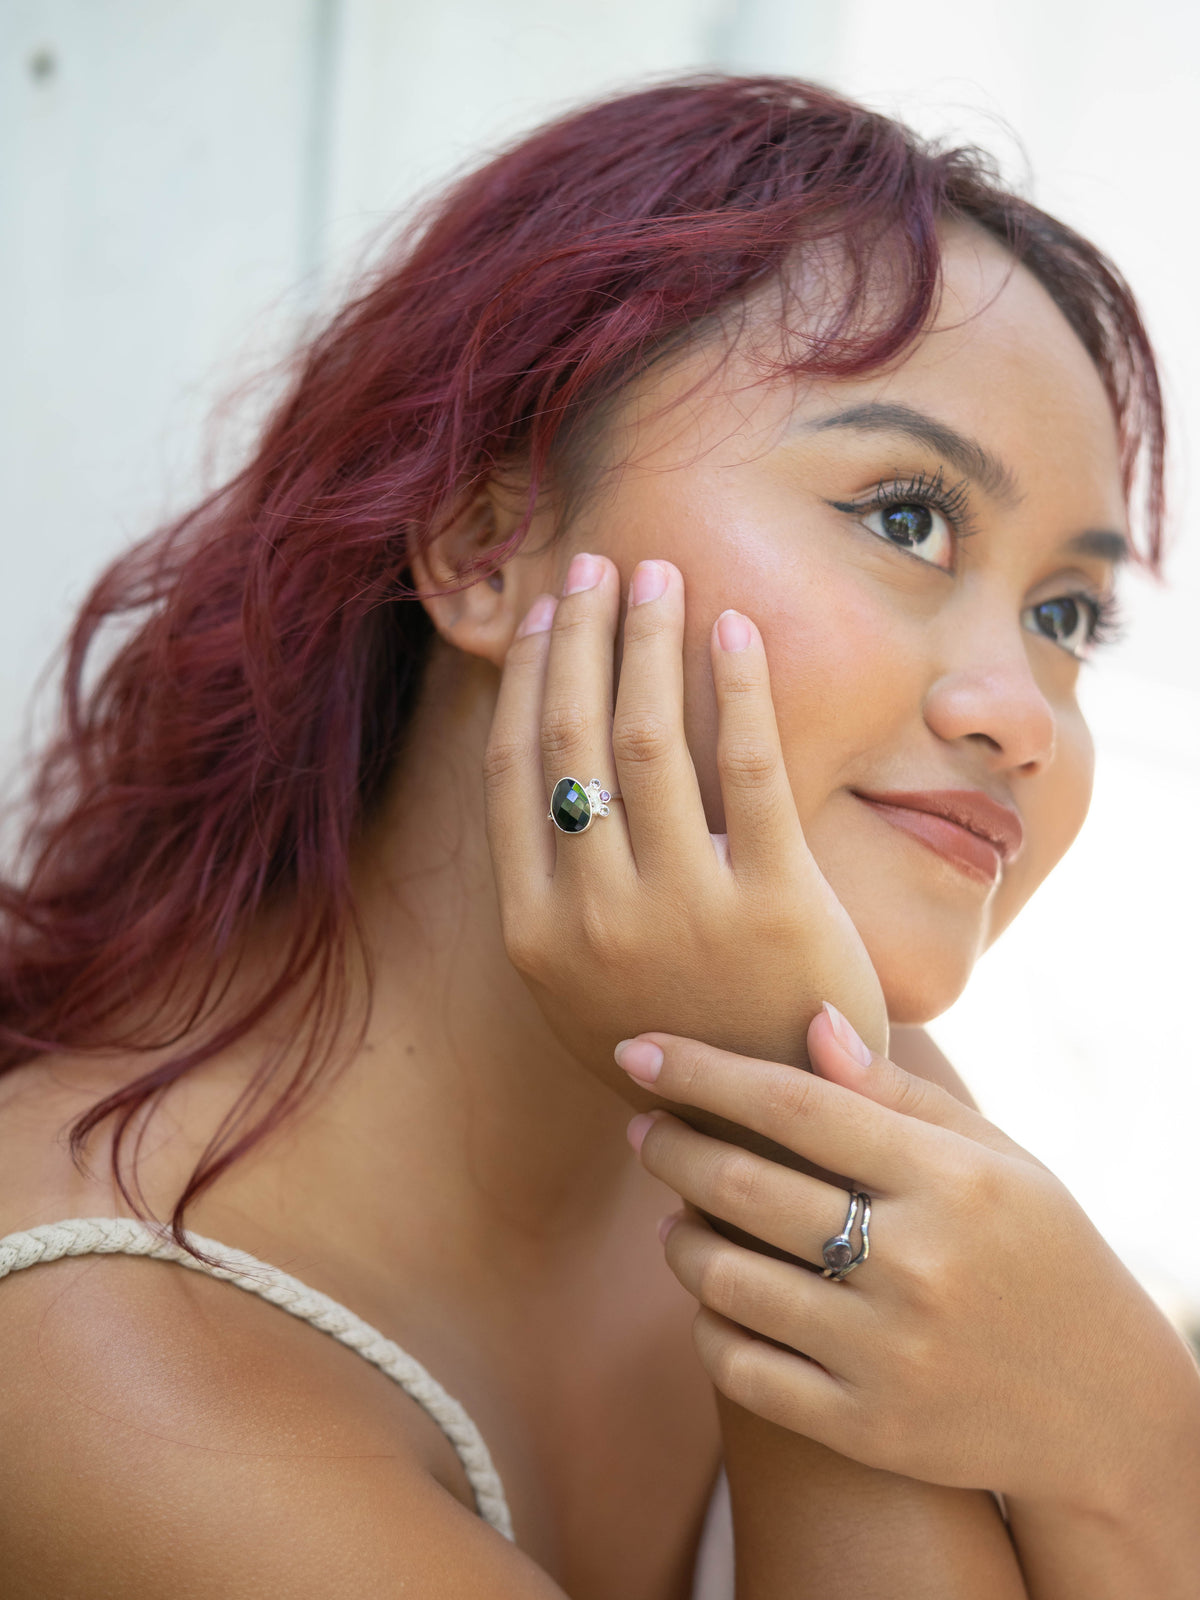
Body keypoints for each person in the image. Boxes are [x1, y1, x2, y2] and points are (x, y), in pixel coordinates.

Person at [0, 74, 1195, 1598]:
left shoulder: (852, 1127)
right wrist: (788, 1104)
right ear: (487, 543)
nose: (1022, 712)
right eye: (907, 517)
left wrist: (1135, 1437)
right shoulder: (93, 1372)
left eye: (1066, 615)